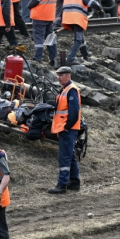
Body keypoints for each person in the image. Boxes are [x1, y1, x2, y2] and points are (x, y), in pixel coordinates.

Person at [48, 66, 82, 194]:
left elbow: (73, 113)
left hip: (68, 129)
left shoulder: (71, 90)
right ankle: (74, 182)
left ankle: (62, 185)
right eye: (58, 75)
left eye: (61, 75)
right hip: (66, 129)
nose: (58, 77)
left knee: (65, 157)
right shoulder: (65, 90)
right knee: (70, 155)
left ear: (68, 76)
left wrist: (66, 127)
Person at [61, 0, 104, 65]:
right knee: (78, 39)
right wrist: (100, 10)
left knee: (80, 37)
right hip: (76, 19)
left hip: (67, 18)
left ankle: (86, 54)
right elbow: (93, 3)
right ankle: (70, 58)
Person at [28, 0, 59, 66]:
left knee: (39, 39)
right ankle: (54, 58)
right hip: (49, 17)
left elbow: (34, 2)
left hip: (40, 17)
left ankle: (37, 59)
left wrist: (28, 6)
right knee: (50, 39)